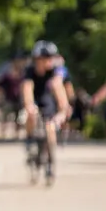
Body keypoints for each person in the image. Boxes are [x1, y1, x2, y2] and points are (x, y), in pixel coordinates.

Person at [22, 39, 72, 184]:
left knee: (50, 129)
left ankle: (50, 164)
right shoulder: (30, 70)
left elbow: (58, 86)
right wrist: (29, 105)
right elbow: (27, 88)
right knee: (30, 115)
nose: (48, 61)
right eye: (45, 59)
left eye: (50, 58)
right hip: (34, 99)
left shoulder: (56, 70)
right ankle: (30, 139)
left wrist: (63, 108)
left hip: (48, 100)